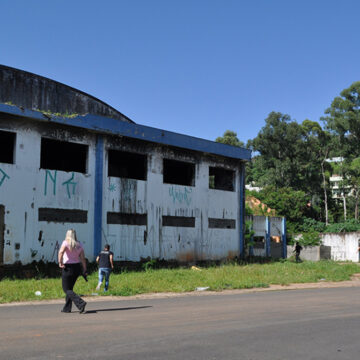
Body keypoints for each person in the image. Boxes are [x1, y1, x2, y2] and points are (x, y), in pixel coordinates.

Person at [58, 229, 87, 313]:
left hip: (68, 267)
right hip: (77, 267)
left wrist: (60, 262)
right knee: (70, 288)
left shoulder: (65, 242)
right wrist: (84, 269)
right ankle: (67, 308)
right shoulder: (79, 244)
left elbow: (61, 252)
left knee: (66, 289)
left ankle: (80, 303)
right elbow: (82, 258)